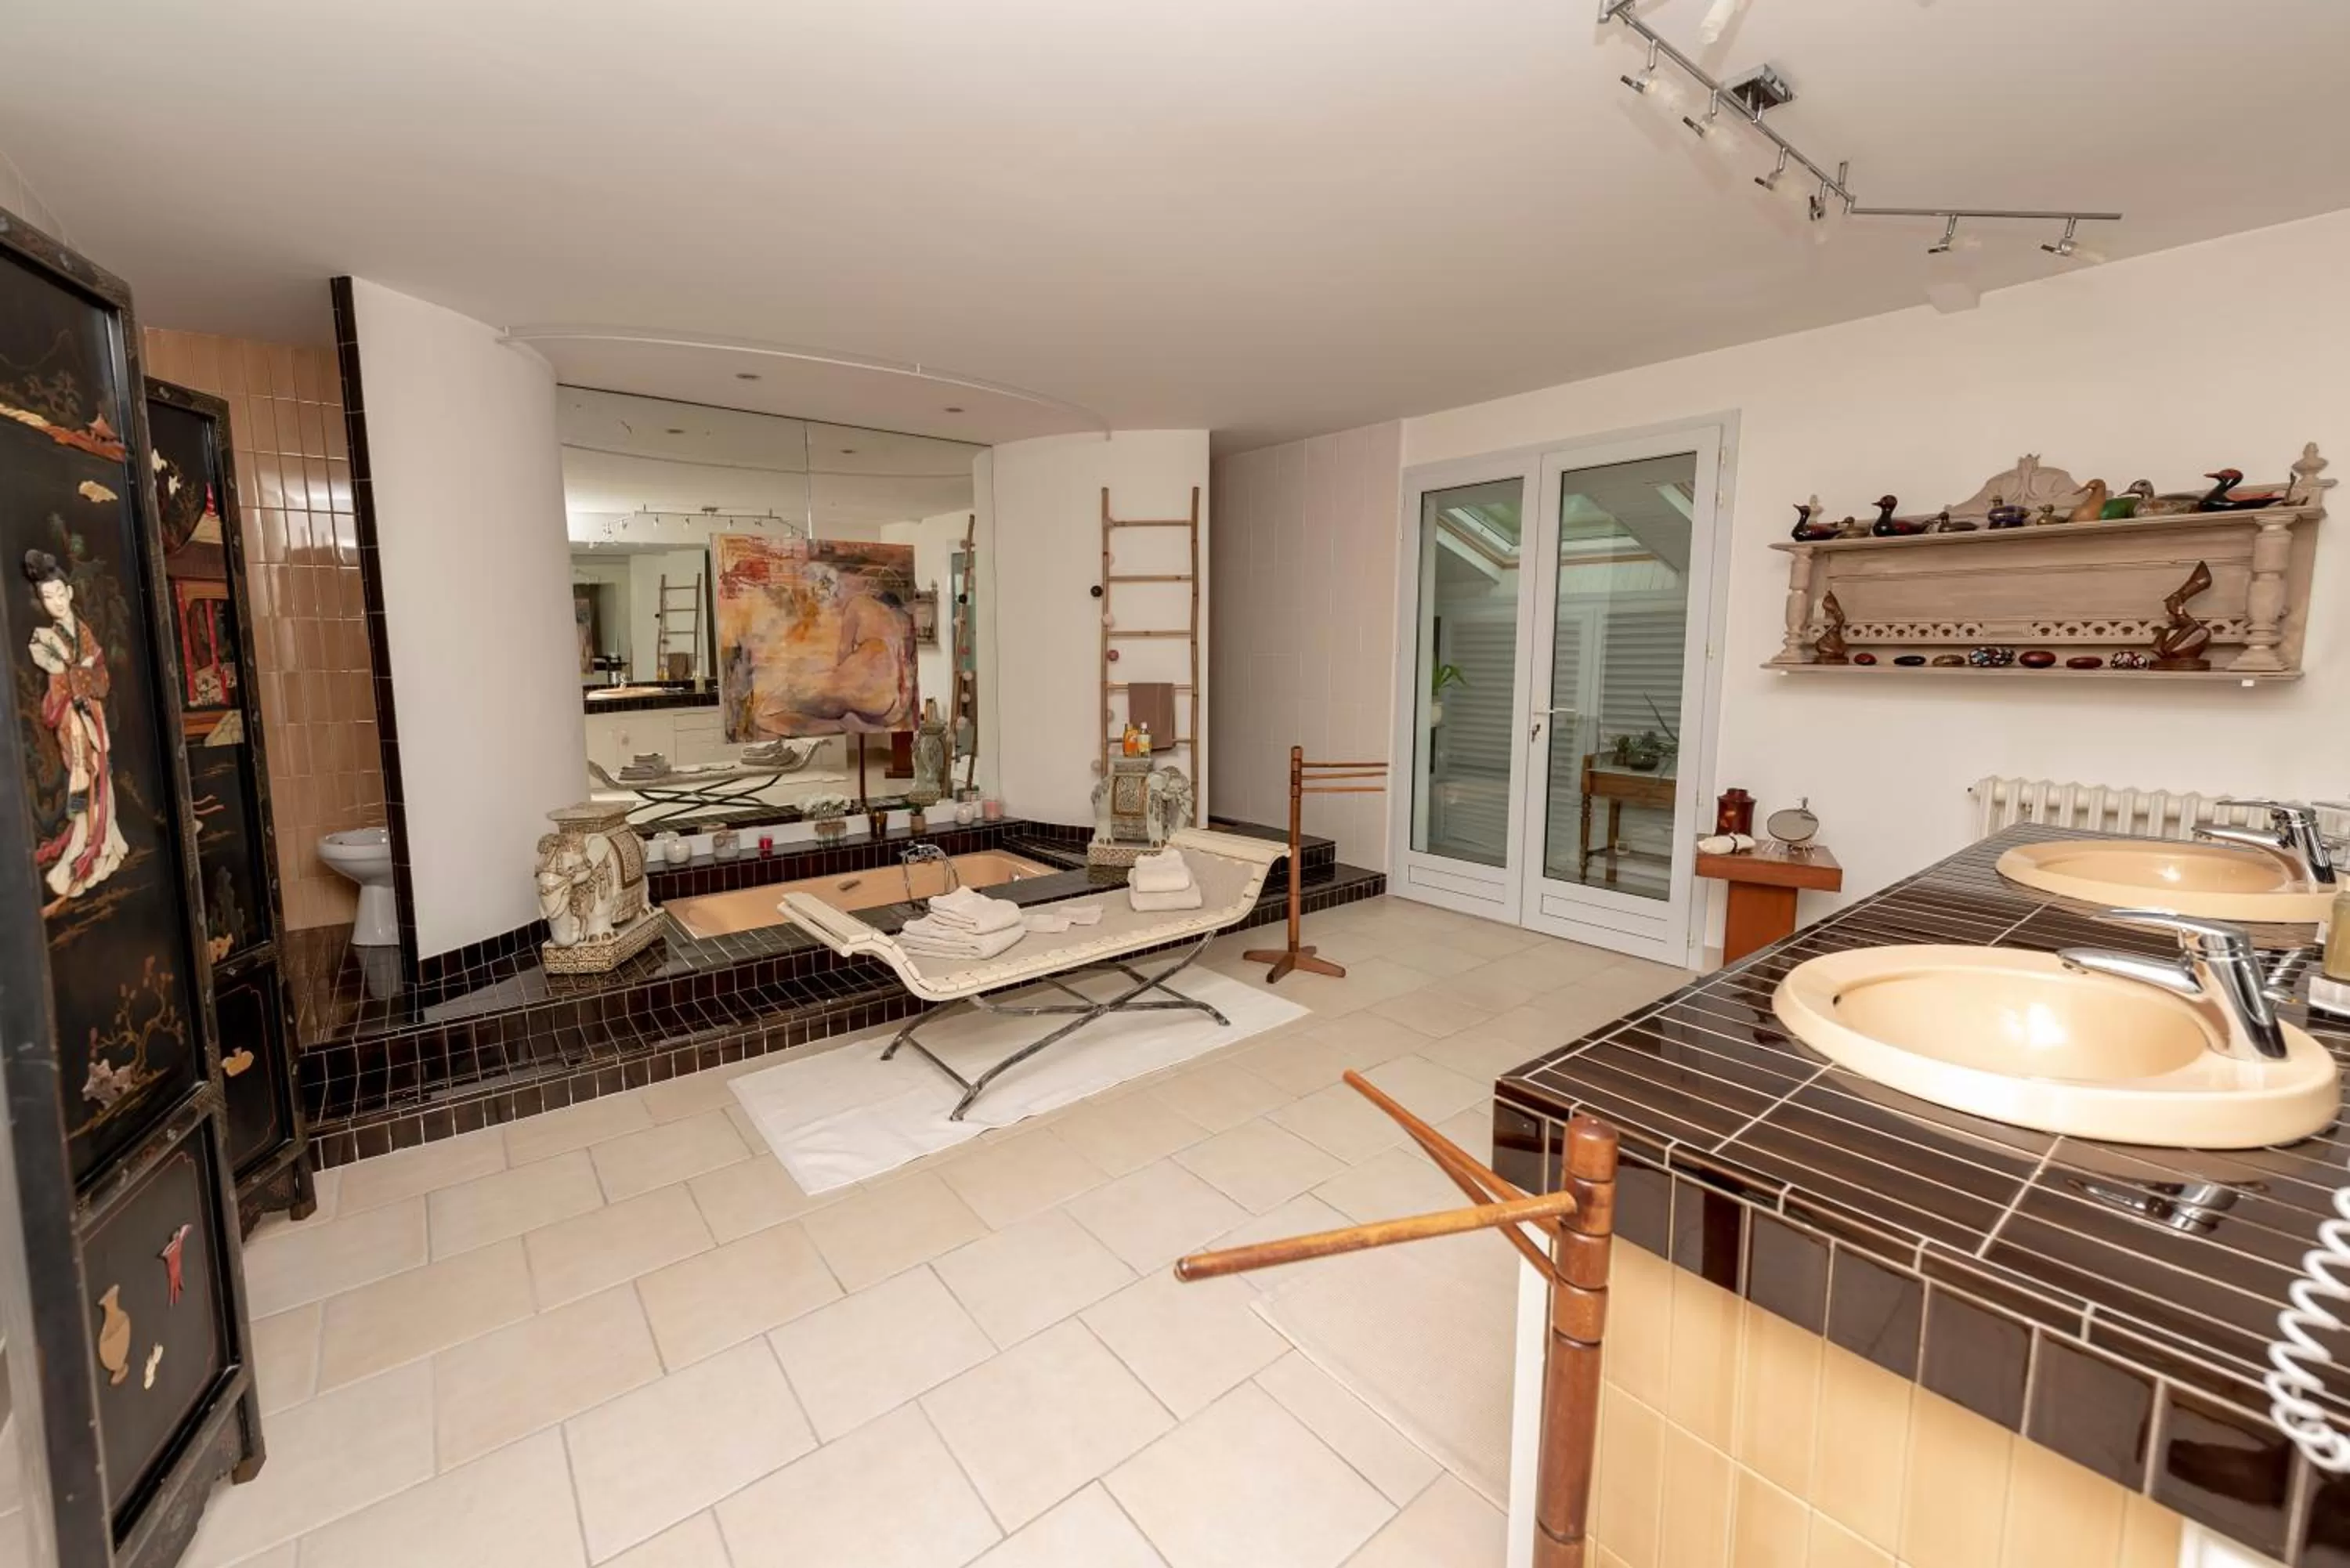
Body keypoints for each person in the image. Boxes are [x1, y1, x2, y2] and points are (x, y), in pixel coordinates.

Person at [24, 550, 130, 905]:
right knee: (83, 778)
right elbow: (63, 684)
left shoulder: (83, 631)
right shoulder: (45, 639)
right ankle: (86, 847)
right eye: (46, 597)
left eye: (58, 594)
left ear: (69, 593)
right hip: (74, 723)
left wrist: (81, 674)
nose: (54, 603)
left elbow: (100, 676)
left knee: (104, 774)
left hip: (93, 717)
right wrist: (79, 675)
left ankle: (107, 841)